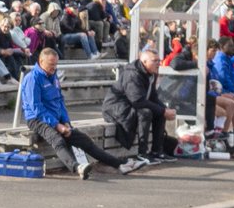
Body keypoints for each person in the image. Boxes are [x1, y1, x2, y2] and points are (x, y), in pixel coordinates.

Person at [22, 49, 149, 179]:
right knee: (57, 140)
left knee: (84, 140)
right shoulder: (32, 79)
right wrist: (57, 125)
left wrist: (66, 121)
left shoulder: (53, 76)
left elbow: (60, 101)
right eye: (51, 64)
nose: (54, 68)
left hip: (56, 118)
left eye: (55, 64)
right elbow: (37, 108)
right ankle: (77, 167)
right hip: (36, 119)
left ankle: (120, 165)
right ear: (41, 61)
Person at [103, 51, 177, 164]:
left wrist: (165, 110)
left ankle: (157, 151)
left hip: (131, 105)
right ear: (144, 62)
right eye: (155, 61)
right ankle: (142, 153)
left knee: (159, 114)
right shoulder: (132, 74)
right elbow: (137, 101)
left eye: (159, 61)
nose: (158, 63)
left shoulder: (152, 73)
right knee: (146, 112)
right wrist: (163, 110)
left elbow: (153, 97)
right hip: (116, 108)